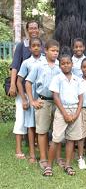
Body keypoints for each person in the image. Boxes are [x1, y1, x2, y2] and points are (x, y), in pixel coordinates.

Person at [43, 54, 84, 176]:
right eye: (63, 63)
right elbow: (55, 97)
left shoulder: (77, 79)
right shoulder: (57, 78)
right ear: (59, 65)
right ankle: (48, 166)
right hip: (62, 111)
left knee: (71, 140)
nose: (66, 65)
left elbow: (81, 98)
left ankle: (68, 165)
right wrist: (65, 114)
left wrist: (76, 114)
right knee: (56, 139)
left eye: (68, 63)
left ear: (72, 64)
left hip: (75, 110)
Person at [25, 39, 61, 170]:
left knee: (57, 131)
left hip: (57, 102)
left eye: (57, 51)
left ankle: (57, 158)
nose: (55, 53)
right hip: (43, 101)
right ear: (45, 51)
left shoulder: (60, 66)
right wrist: (32, 100)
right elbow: (28, 82)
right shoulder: (39, 66)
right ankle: (44, 158)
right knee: (42, 131)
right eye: (52, 50)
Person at [8, 20, 41, 159]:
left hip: (37, 89)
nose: (33, 30)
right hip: (22, 87)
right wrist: (13, 84)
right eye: (31, 28)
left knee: (36, 118)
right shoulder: (22, 46)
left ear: (39, 30)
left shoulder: (42, 45)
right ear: (27, 30)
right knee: (21, 117)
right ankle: (18, 149)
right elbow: (15, 66)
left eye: (35, 28)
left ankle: (37, 145)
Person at [16, 37, 45, 163]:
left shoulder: (46, 60)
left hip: (43, 99)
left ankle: (43, 151)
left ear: (42, 47)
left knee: (42, 126)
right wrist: (24, 99)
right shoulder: (26, 63)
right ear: (30, 48)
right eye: (34, 46)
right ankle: (32, 154)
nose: (36, 48)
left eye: (38, 45)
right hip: (31, 97)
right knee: (31, 126)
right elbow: (19, 81)